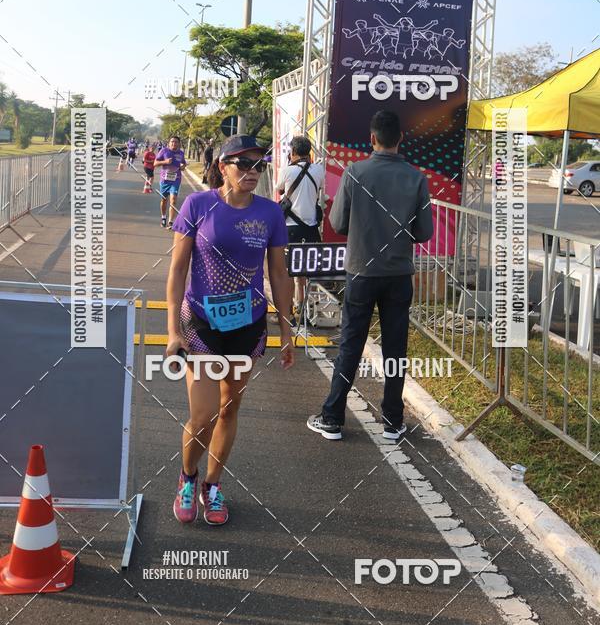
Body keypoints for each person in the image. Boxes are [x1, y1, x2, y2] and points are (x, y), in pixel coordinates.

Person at [166, 134, 294, 525]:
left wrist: (286, 328)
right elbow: (177, 271)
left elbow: (279, 272)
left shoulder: (270, 213)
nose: (253, 172)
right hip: (202, 324)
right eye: (243, 164)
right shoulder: (197, 205)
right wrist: (172, 331)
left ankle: (213, 484)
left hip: (248, 326)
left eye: (259, 165)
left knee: (228, 409)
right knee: (202, 414)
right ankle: (187, 478)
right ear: (223, 168)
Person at [307, 110, 434, 441]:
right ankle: (393, 421)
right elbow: (424, 233)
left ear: (372, 138)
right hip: (398, 274)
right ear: (400, 139)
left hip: (361, 272)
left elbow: (337, 223)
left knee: (351, 343)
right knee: (395, 348)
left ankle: (332, 417)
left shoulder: (355, 172)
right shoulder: (416, 178)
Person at [276, 136, 324, 317]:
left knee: (287, 272)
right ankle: (302, 309)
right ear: (309, 152)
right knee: (303, 272)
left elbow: (279, 189)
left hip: (290, 228)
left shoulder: (287, 171)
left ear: (293, 152)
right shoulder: (319, 170)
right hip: (311, 228)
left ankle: (287, 313)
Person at [155, 136, 187, 228]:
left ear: (179, 143)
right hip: (164, 180)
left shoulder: (181, 153)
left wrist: (183, 166)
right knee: (164, 200)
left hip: (176, 180)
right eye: (172, 142)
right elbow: (155, 163)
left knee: (173, 200)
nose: (174, 143)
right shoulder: (164, 151)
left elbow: (183, 164)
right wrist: (165, 161)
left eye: (176, 142)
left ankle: (171, 222)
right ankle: (164, 217)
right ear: (169, 143)